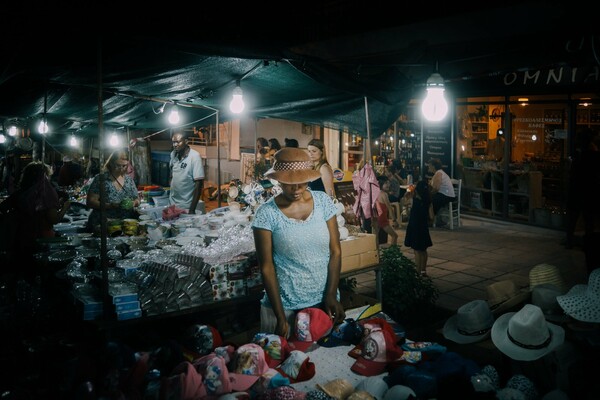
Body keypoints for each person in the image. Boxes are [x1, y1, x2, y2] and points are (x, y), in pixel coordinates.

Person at [251, 147, 346, 338]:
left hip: (324, 302)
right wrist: (280, 317)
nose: (295, 189)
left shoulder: (323, 203)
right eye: (288, 184)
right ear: (278, 180)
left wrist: (330, 294)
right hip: (285, 308)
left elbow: (335, 251)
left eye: (301, 183)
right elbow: (267, 268)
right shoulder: (266, 214)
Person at [0, 161, 71, 278]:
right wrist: (65, 207)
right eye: (47, 175)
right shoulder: (45, 192)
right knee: (38, 272)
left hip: (18, 238)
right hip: (40, 239)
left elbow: (2, 208)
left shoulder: (20, 193)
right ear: (43, 176)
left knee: (21, 272)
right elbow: (54, 219)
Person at [85, 149, 140, 234]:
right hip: (103, 224)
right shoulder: (101, 179)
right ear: (111, 163)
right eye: (118, 165)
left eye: (124, 166)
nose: (121, 169)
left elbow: (137, 199)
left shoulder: (129, 180)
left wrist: (133, 203)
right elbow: (90, 202)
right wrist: (110, 205)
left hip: (124, 226)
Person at [169, 131, 205, 214]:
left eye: (178, 142)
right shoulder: (173, 154)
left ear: (186, 141)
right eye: (173, 142)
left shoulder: (195, 156)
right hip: (172, 203)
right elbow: (172, 173)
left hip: (186, 206)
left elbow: (198, 184)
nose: (175, 145)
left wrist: (192, 210)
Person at [403, 180, 433, 275]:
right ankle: (423, 270)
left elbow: (404, 201)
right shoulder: (429, 202)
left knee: (417, 251)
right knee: (423, 250)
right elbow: (432, 217)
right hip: (423, 227)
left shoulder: (413, 200)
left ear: (417, 190)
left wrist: (409, 189)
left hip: (414, 227)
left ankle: (418, 272)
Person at [428, 158, 455, 223]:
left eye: (429, 166)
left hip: (446, 196)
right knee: (428, 198)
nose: (428, 167)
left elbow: (436, 188)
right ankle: (430, 218)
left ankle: (431, 219)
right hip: (446, 195)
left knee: (428, 200)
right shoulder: (439, 173)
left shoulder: (438, 173)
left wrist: (429, 194)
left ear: (433, 166)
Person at [375, 175, 399, 247]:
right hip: (382, 219)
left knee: (376, 238)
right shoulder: (384, 194)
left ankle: (376, 255)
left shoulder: (375, 192)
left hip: (375, 218)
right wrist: (394, 220)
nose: (388, 185)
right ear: (381, 183)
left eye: (388, 183)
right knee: (394, 236)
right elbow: (390, 208)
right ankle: (393, 253)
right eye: (386, 183)